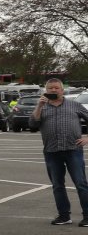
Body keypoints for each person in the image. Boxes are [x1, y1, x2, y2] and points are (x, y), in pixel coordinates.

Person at [29, 78, 88, 226]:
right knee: (57, 185)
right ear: (46, 91)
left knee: (81, 183)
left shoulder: (74, 105)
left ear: (62, 90)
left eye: (56, 88)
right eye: (50, 88)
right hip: (52, 151)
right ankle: (64, 216)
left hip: (73, 150)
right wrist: (39, 106)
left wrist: (87, 138)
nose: (53, 90)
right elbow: (32, 125)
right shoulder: (42, 107)